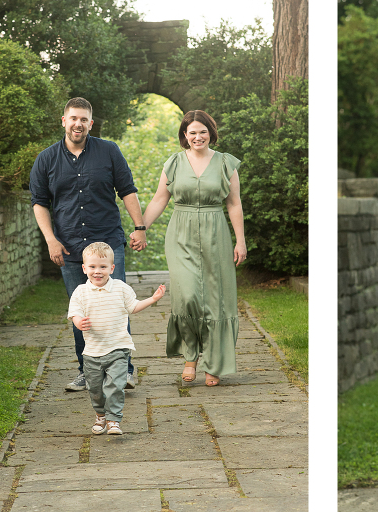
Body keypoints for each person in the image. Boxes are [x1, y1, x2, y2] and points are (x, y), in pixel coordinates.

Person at [30, 97, 148, 392]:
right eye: (73, 118)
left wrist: (140, 227)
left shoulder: (109, 151)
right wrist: (50, 240)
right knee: (81, 311)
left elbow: (127, 190)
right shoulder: (46, 159)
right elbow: (39, 203)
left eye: (83, 119)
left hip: (107, 243)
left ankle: (125, 371)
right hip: (69, 247)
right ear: (64, 121)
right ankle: (87, 372)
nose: (78, 124)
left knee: (115, 306)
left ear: (90, 123)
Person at [132, 110, 246, 386]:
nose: (198, 136)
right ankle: (190, 356)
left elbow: (234, 204)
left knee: (216, 300)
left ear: (211, 132)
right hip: (180, 233)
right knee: (187, 296)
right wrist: (141, 227)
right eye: (192, 132)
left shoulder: (225, 163)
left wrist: (240, 241)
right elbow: (160, 199)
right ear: (185, 135)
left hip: (215, 233)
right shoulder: (173, 163)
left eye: (203, 131)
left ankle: (214, 364)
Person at [68, 242, 165, 435]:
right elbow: (75, 313)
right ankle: (100, 416)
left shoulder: (121, 288)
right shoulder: (80, 291)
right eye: (93, 267)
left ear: (112, 268)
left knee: (115, 386)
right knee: (95, 389)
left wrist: (152, 299)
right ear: (84, 268)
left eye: (103, 267)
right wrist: (79, 323)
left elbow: (133, 307)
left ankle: (113, 420)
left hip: (118, 348)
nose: (98, 271)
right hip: (92, 352)